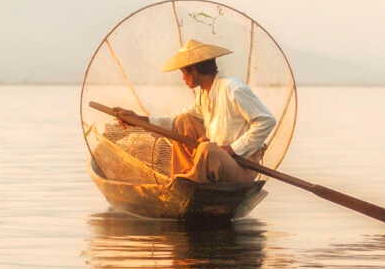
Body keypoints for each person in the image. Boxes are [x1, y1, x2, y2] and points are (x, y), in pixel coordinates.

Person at [114, 39, 276, 183]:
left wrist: (234, 148)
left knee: (207, 149)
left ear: (194, 70)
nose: (183, 78)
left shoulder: (232, 88)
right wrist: (138, 119)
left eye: (184, 73)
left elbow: (267, 120)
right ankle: (185, 175)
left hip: (241, 166)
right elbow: (175, 122)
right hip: (218, 161)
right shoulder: (205, 93)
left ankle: (191, 179)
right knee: (183, 121)